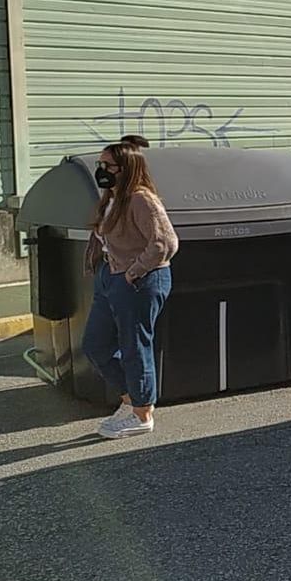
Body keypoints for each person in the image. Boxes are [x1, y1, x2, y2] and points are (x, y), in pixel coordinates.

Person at [82, 141, 178, 439]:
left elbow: (166, 243)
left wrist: (134, 272)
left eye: (108, 166)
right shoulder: (112, 197)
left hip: (139, 280)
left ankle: (142, 412)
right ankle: (130, 398)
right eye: (100, 165)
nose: (102, 172)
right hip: (110, 275)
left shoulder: (141, 199)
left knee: (135, 347)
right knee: (95, 345)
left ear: (126, 169)